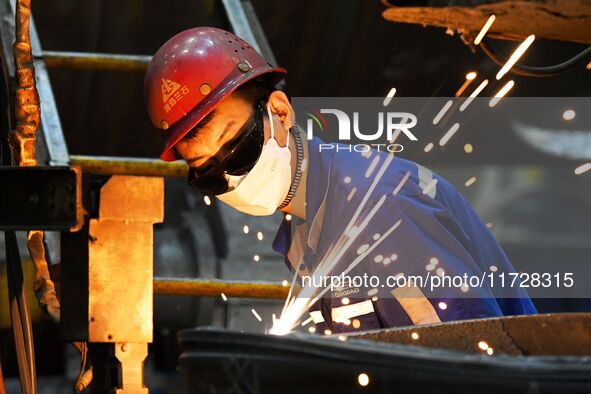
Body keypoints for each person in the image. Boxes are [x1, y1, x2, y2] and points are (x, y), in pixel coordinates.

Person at [144, 27, 537, 334]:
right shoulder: (304, 225)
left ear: (280, 114)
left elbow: (467, 363)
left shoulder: (380, 212)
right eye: (209, 174)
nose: (230, 176)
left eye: (238, 149)